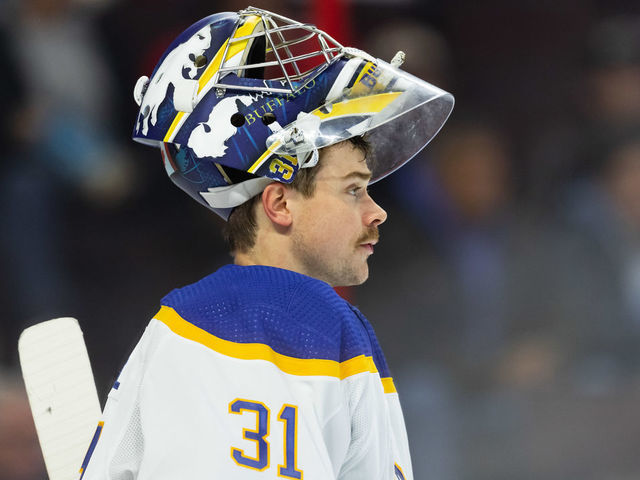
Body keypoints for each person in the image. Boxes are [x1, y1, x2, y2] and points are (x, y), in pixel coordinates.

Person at [80, 7, 453, 480]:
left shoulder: (172, 326)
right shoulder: (305, 324)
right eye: (353, 189)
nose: (376, 212)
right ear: (278, 203)